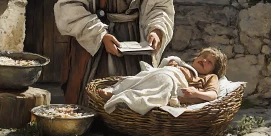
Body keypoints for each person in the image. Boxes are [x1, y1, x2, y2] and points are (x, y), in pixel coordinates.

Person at [98, 47, 228, 105]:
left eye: (209, 62)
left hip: (176, 86)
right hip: (164, 74)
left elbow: (212, 95)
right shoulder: (185, 66)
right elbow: (165, 68)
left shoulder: (210, 78)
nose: (204, 60)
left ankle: (122, 97)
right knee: (144, 77)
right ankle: (118, 91)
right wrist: (172, 65)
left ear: (213, 70)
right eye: (203, 57)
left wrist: (195, 93)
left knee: (163, 83)